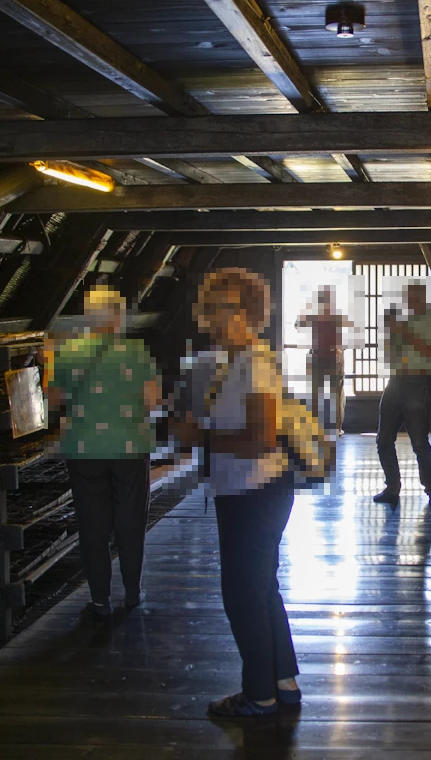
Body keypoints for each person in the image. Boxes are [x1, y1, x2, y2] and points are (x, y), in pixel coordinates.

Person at [172, 268, 301, 718]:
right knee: (262, 587)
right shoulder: (232, 362)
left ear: (248, 314)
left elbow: (261, 438)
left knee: (242, 594)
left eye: (223, 310)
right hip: (251, 490)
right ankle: (282, 682)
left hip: (255, 492)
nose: (213, 319)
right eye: (210, 310)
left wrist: (200, 437)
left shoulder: (254, 363)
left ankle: (258, 695)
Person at [47, 285, 161, 619]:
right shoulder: (136, 352)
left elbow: (52, 400)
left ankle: (99, 599)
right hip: (129, 446)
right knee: (130, 520)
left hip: (84, 449)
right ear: (118, 316)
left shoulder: (68, 352)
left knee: (92, 524)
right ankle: (132, 593)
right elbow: (152, 402)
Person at [373, 281, 431, 508]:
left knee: (419, 442)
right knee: (383, 439)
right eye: (408, 297)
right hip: (396, 382)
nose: (410, 301)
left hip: (418, 384)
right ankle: (392, 487)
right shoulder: (401, 320)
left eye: (414, 297)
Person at [295, 285, 354, 435]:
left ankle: (321, 428)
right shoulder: (333, 314)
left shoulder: (315, 314)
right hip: (330, 357)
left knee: (319, 395)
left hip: (321, 356)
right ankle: (334, 428)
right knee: (333, 395)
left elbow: (298, 325)